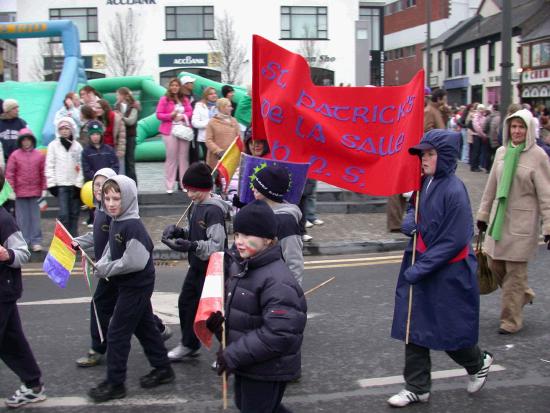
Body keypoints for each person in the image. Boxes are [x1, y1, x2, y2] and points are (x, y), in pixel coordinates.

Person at [388, 129, 493, 407]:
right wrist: (411, 220)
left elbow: (454, 241)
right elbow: (415, 207)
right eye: (422, 154)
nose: (424, 158)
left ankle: (478, 362)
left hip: (448, 272)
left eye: (430, 154)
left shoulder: (455, 190)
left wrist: (420, 269)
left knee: (449, 330)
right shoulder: (426, 181)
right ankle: (417, 386)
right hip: (423, 263)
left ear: (444, 156)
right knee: (413, 325)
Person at [207, 200, 307, 413]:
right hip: (248, 361)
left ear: (268, 240)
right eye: (237, 235)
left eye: (247, 236)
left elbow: (279, 334)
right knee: (245, 405)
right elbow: (244, 318)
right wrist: (220, 328)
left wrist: (233, 355)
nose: (240, 242)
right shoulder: (241, 266)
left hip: (268, 368)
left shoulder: (278, 281)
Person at [73, 169, 171, 368]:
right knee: (141, 318)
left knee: (116, 326)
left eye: (105, 186)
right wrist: (80, 244)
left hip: (123, 277)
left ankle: (110, 372)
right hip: (115, 274)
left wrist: (107, 268)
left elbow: (132, 260)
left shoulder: (123, 218)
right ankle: (162, 362)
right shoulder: (102, 212)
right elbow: (105, 243)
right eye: (97, 185)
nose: (102, 193)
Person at [89, 175, 174, 402]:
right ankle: (163, 369)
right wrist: (102, 264)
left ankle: (115, 384)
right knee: (145, 328)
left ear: (128, 198)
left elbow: (132, 262)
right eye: (107, 198)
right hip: (127, 285)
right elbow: (110, 248)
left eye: (117, 198)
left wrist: (107, 269)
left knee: (117, 334)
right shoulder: (116, 220)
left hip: (137, 287)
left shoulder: (133, 225)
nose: (110, 203)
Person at [476, 108, 550, 334]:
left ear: (529, 130)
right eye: (514, 126)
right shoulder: (501, 152)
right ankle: (523, 293)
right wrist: (483, 215)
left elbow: (546, 195)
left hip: (522, 225)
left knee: (514, 275)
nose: (517, 131)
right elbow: (490, 188)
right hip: (499, 222)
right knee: (494, 265)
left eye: (521, 127)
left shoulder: (538, 156)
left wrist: (548, 227)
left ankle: (510, 321)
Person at [161, 162, 229, 361]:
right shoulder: (195, 206)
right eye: (187, 190)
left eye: (193, 190)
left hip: (213, 270)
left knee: (213, 314)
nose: (189, 194)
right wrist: (180, 232)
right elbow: (195, 234)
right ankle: (189, 344)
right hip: (197, 266)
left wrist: (192, 246)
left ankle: (230, 352)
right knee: (186, 303)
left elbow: (216, 245)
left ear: (205, 188)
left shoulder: (213, 211)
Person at [0, 168, 47, 408]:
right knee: (11, 340)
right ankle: (33, 385)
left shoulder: (4, 220)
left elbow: (23, 253)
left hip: (3, 291)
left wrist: (7, 254)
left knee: (10, 340)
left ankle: (33, 385)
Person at [251, 165, 304, 285]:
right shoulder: (259, 211)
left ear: (268, 191)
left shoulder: (285, 221)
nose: (253, 188)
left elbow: (294, 261)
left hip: (276, 286)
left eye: (258, 187)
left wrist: (293, 293)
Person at [5, 128, 46, 252]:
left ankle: (36, 241)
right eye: (24, 140)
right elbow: (10, 173)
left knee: (35, 219)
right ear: (20, 141)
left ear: (32, 140)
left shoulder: (39, 155)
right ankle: (24, 241)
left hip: (35, 192)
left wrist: (44, 189)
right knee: (21, 219)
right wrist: (10, 190)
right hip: (20, 193)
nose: (26, 142)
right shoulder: (15, 155)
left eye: (28, 140)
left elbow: (43, 173)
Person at [45, 117, 84, 237]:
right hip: (61, 185)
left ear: (71, 129)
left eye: (67, 128)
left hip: (74, 185)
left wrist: (79, 184)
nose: (64, 131)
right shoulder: (53, 146)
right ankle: (63, 241)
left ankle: (74, 240)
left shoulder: (77, 147)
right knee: (63, 215)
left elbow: (81, 166)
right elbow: (49, 165)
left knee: (74, 214)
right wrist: (51, 184)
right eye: (61, 128)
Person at [156, 78, 193, 193]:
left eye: (177, 85)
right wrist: (170, 115)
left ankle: (184, 184)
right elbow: (159, 114)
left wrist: (183, 116)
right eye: (172, 85)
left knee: (184, 158)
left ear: (179, 87)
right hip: (170, 130)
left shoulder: (185, 99)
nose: (174, 87)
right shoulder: (164, 99)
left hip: (183, 130)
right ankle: (169, 185)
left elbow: (190, 111)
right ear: (169, 87)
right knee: (171, 158)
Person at [81, 120, 120, 227]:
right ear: (89, 136)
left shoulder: (109, 150)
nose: (95, 137)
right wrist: (96, 180)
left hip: (108, 183)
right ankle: (93, 219)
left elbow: (115, 165)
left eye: (97, 134)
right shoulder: (86, 152)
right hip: (93, 183)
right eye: (93, 134)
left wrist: (109, 178)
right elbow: (86, 169)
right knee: (94, 202)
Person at [205, 98, 241, 171]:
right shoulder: (212, 122)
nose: (232, 108)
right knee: (217, 180)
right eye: (229, 106)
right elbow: (208, 140)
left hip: (232, 157)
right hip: (217, 158)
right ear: (222, 107)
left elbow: (239, 138)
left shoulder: (234, 121)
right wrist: (219, 151)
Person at [114, 87, 140, 185]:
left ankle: (133, 184)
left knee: (130, 162)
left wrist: (122, 117)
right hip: (120, 137)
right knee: (121, 162)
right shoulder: (116, 106)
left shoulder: (134, 106)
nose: (117, 97)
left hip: (130, 136)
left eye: (118, 95)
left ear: (123, 95)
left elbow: (131, 121)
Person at [97, 100, 126, 173]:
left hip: (114, 148)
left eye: (99, 108)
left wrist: (120, 151)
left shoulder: (116, 118)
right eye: (96, 108)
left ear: (104, 108)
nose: (97, 110)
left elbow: (122, 136)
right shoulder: (97, 119)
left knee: (117, 172)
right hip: (102, 150)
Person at [192, 86, 218, 161]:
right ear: (206, 96)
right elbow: (194, 122)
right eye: (211, 94)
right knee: (208, 161)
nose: (214, 95)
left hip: (219, 138)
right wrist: (209, 123)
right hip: (205, 138)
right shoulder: (199, 106)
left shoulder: (219, 105)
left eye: (215, 93)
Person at [0, 99, 27, 164]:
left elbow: (29, 140)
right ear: (7, 110)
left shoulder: (22, 123)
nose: (18, 110)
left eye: (17, 107)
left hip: (19, 160)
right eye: (14, 108)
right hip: (2, 161)